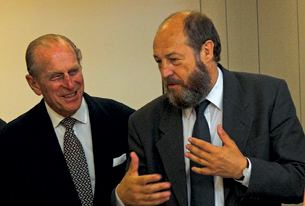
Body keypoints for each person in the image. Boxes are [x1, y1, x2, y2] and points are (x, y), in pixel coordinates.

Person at [115, 11, 305, 206]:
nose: (164, 72)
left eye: (174, 60)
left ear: (207, 51)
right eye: (158, 61)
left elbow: (299, 180)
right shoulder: (145, 122)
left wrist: (243, 169)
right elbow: (138, 196)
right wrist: (122, 198)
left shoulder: (267, 97)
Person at [0, 34, 134, 206]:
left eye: (74, 71)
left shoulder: (124, 119)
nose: (70, 84)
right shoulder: (12, 140)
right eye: (56, 76)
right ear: (34, 84)